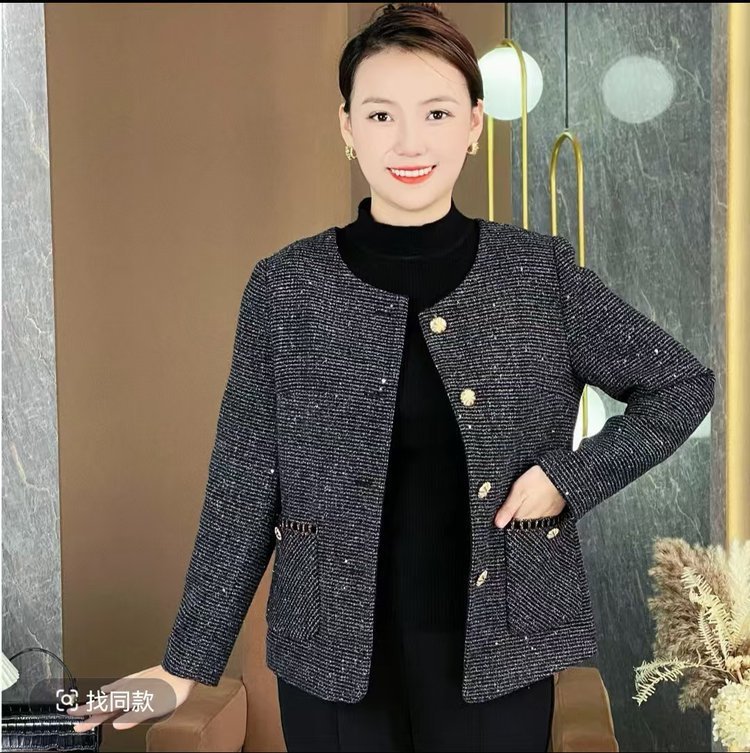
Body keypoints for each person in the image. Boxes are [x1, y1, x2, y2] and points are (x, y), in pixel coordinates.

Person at [66, 3, 715, 752]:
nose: (409, 141)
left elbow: (681, 386)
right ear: (347, 127)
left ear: (474, 125)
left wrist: (566, 477)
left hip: (503, 650)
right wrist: (184, 667)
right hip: (330, 661)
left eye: (436, 112)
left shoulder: (539, 274)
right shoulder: (287, 288)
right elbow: (243, 485)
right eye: (380, 115)